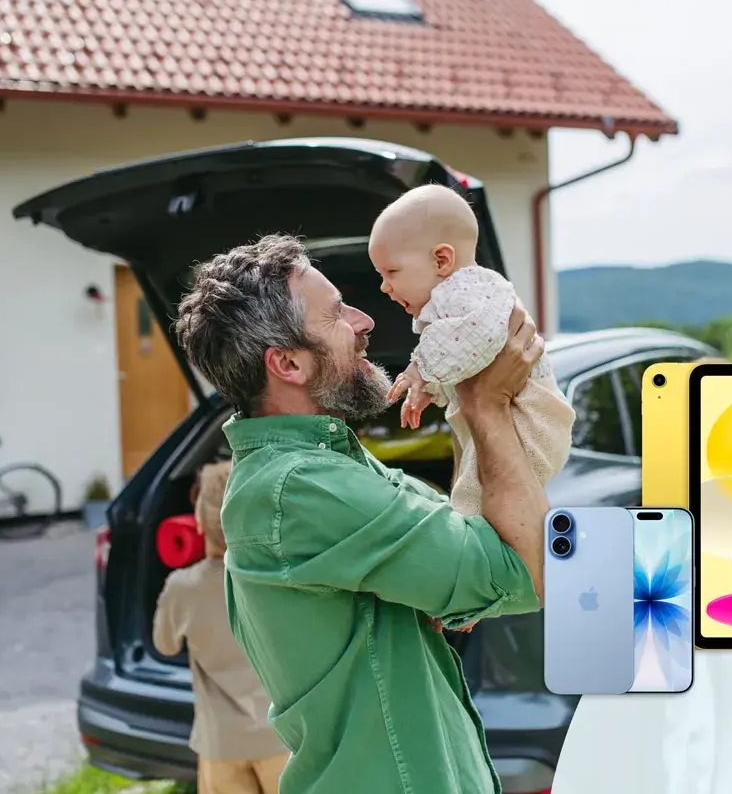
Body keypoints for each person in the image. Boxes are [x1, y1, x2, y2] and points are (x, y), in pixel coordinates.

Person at [173, 233, 548, 794]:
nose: (365, 318)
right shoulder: (302, 488)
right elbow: (525, 570)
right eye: (335, 314)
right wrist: (485, 404)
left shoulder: (332, 467)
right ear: (289, 363)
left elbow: (481, 541)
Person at [367, 184, 576, 516]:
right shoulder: (451, 299)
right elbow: (465, 359)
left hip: (529, 419)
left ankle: (471, 542)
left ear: (442, 259)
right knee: (475, 490)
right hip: (512, 418)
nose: (383, 286)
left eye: (391, 271)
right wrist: (430, 388)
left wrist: (419, 370)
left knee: (474, 500)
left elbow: (477, 338)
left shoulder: (470, 290)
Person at [152, 460, 291, 794]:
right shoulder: (278, 578)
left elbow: (165, 645)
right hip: (281, 737)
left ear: (198, 522)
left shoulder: (182, 587)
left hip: (221, 742)